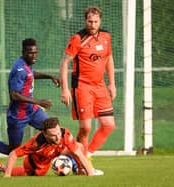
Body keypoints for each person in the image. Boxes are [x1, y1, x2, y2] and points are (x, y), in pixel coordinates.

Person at [0, 38, 60, 155]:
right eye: (30, 53)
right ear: (23, 52)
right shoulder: (19, 69)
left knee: (54, 130)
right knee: (12, 150)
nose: (34, 55)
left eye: (35, 52)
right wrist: (38, 101)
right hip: (18, 116)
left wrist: (49, 76)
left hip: (32, 111)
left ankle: (47, 157)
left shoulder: (26, 65)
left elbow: (30, 75)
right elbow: (14, 95)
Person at [59, 6, 116, 172]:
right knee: (85, 128)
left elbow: (109, 59)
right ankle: (82, 166)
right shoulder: (78, 38)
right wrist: (65, 89)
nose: (92, 24)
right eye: (90, 21)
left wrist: (112, 83)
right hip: (82, 87)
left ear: (100, 21)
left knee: (108, 125)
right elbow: (64, 63)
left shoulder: (106, 36)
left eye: (95, 21)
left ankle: (86, 155)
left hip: (100, 87)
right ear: (85, 21)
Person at [0, 117, 94, 177]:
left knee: (78, 147)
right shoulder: (36, 143)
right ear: (45, 134)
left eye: (58, 133)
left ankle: (79, 170)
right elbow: (13, 154)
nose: (57, 137)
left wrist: (90, 173)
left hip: (55, 151)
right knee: (28, 174)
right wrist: (7, 176)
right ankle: (2, 168)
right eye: (53, 135)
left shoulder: (64, 134)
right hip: (38, 162)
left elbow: (78, 154)